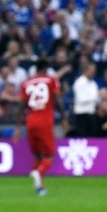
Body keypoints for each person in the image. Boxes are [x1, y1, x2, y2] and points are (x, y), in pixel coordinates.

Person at [15, 59, 66, 196]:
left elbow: (21, 107)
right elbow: (58, 100)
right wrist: (64, 117)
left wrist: (18, 127)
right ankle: (38, 173)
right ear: (46, 68)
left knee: (37, 155)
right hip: (45, 121)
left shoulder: (25, 83)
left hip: (30, 121)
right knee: (50, 156)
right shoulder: (51, 80)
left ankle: (40, 188)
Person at [70, 62, 101, 137]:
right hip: (82, 115)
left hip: (92, 114)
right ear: (85, 70)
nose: (93, 72)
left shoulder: (94, 84)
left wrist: (101, 96)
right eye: (91, 69)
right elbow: (81, 99)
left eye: (94, 70)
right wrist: (96, 96)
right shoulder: (79, 83)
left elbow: (97, 100)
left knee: (92, 138)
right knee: (83, 138)